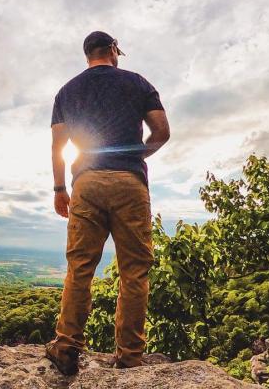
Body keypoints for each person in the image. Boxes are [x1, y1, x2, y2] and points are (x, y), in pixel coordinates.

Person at [44, 31, 171, 375]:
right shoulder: (138, 83)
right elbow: (161, 131)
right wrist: (134, 156)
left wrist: (59, 188)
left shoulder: (67, 91)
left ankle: (67, 346)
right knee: (134, 271)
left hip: (86, 184)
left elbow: (58, 146)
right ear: (113, 50)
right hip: (129, 183)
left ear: (88, 55)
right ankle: (129, 356)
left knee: (80, 267)